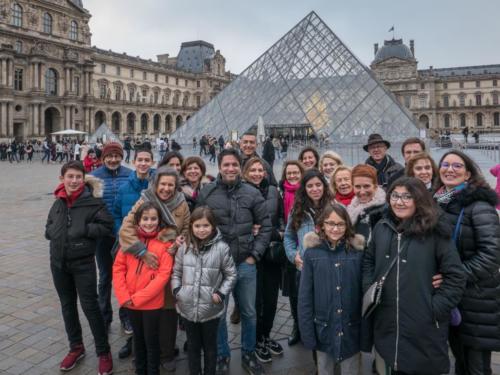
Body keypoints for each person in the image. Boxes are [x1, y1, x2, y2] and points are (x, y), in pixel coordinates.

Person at [363, 177, 466, 374]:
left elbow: (455, 275)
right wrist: (369, 288)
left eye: (407, 197)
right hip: (386, 318)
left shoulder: (435, 231)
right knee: (388, 363)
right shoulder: (382, 227)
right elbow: (369, 261)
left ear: (419, 199)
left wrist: (435, 308)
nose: (399, 202)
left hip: (423, 326)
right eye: (394, 195)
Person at [196, 148, 272, 375]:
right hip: (218, 266)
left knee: (249, 312)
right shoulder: (207, 192)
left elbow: (265, 225)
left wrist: (254, 255)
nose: (230, 168)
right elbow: (197, 226)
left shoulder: (252, 192)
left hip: (244, 263)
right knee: (218, 314)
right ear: (219, 166)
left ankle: (248, 353)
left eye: (234, 165)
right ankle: (222, 355)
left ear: (240, 167)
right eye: (226, 164)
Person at [434, 150, 500, 375]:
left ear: (469, 174)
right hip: (452, 298)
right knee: (460, 360)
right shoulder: (438, 203)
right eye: (445, 164)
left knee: (476, 367)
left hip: (476, 300)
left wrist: (453, 277)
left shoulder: (479, 206)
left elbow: (491, 256)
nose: (450, 169)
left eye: (457, 166)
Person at [45, 161, 114, 375]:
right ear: (62, 178)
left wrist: (83, 229)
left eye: (78, 177)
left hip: (83, 262)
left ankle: (104, 352)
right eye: (70, 176)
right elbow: (49, 225)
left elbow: (107, 226)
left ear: (83, 179)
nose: (74, 181)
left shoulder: (93, 202)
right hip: (58, 263)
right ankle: (76, 347)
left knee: (90, 307)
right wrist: (52, 233)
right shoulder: (58, 201)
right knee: (67, 306)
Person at [299, 204, 366, 375]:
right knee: (324, 369)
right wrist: (307, 333)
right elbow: (305, 297)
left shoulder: (357, 253)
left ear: (347, 225)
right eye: (330, 223)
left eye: (340, 224)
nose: (335, 228)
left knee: (351, 369)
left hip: (351, 327)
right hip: (323, 327)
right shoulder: (312, 254)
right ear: (322, 225)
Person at [172, 206, 237, 375]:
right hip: (187, 306)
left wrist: (221, 293)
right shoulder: (184, 247)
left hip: (211, 307)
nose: (202, 230)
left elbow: (231, 274)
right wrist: (177, 291)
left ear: (213, 227)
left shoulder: (222, 248)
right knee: (193, 346)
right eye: (198, 226)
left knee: (210, 347)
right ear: (191, 226)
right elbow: (176, 272)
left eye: (206, 226)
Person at [113, 201, 175, 375]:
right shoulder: (130, 244)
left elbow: (163, 276)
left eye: (153, 219)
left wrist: (138, 299)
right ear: (138, 221)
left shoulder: (165, 245)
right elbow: (118, 268)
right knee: (137, 340)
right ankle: (140, 370)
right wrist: (124, 296)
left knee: (151, 340)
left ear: (159, 221)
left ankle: (153, 370)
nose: (149, 223)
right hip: (130, 301)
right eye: (145, 219)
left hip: (151, 304)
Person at [284, 169, 333, 348]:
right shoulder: (298, 210)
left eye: (318, 185)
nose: (314, 189)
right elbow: (289, 236)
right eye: (310, 186)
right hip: (303, 267)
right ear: (304, 189)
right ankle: (303, 332)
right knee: (303, 304)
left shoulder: (335, 207)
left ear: (324, 186)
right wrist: (293, 255)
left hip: (328, 267)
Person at [113, 147, 155, 358]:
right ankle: (132, 337)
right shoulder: (123, 188)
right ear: (134, 161)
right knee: (128, 289)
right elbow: (116, 215)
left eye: (147, 160)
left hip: (151, 246)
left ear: (151, 161)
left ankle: (147, 341)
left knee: (149, 292)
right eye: (140, 160)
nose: (143, 163)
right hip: (129, 246)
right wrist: (124, 235)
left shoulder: (156, 186)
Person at [242, 157, 285, 363]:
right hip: (249, 255)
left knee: (270, 301)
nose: (257, 173)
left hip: (271, 255)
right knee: (253, 304)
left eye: (261, 170)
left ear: (266, 173)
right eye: (253, 170)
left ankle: (266, 336)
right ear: (246, 172)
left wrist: (272, 233)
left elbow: (282, 223)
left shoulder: (275, 193)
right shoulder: (239, 193)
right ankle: (255, 340)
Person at [91, 143, 133, 330]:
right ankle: (105, 315)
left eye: (117, 156)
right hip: (103, 235)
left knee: (125, 278)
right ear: (103, 158)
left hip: (125, 235)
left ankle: (126, 316)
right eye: (110, 156)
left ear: (121, 157)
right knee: (105, 276)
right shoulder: (94, 177)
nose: (113, 159)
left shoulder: (130, 174)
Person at [279, 160, 305, 346]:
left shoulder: (308, 193)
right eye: (289, 173)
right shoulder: (281, 194)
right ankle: (297, 325)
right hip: (290, 248)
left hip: (307, 248)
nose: (293, 176)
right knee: (294, 293)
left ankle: (307, 326)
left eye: (296, 172)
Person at [347, 165, 386, 243]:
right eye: (358, 187)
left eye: (366, 186)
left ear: (375, 186)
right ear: (352, 187)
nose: (362, 192)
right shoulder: (352, 208)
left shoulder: (384, 211)